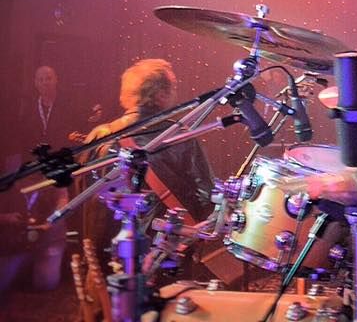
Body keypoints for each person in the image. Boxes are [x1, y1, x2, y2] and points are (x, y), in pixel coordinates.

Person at [79, 59, 216, 275]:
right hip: (162, 255)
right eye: (173, 87)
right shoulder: (179, 136)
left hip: (105, 257)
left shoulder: (99, 136)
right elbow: (207, 194)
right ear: (160, 94)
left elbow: (85, 197)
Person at [0, 66, 70, 293]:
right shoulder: (26, 111)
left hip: (48, 227)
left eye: (49, 78)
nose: (45, 82)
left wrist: (52, 221)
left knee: (45, 283)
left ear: (56, 80)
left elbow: (63, 199)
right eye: (40, 79)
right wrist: (7, 219)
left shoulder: (69, 105)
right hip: (12, 234)